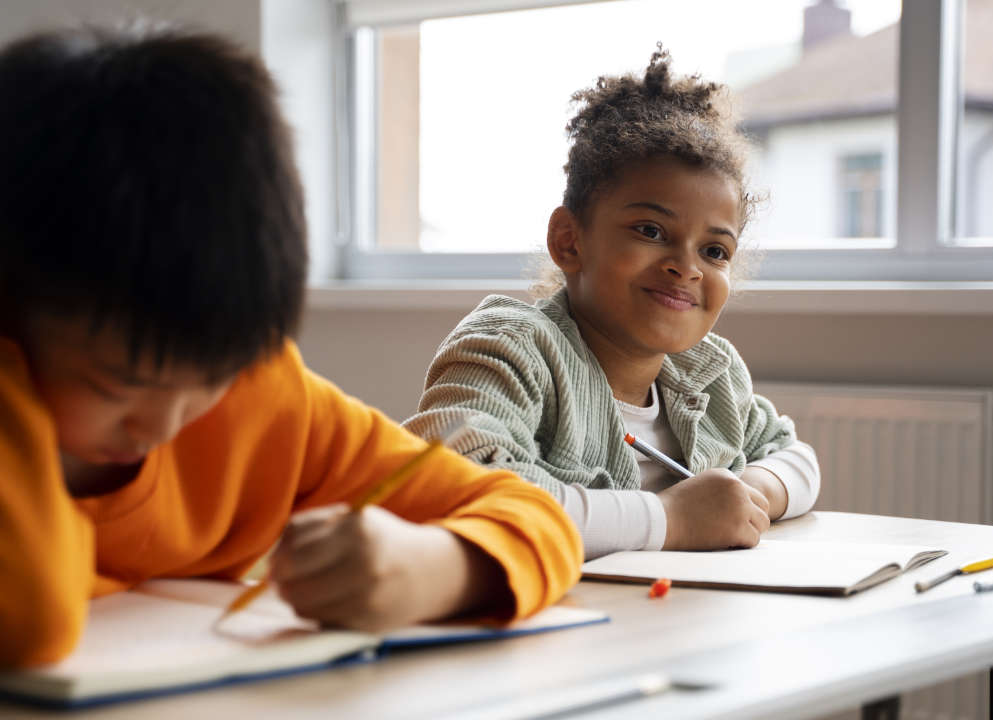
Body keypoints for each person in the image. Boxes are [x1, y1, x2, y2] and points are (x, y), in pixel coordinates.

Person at [0, 26, 581, 668]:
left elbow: (534, 514)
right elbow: (32, 623)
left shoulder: (263, 396)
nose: (164, 424)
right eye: (117, 387)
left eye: (209, 378)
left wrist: (432, 567)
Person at [404, 48, 819, 560]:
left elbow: (796, 457)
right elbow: (456, 486)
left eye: (714, 251)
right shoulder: (512, 348)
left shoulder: (710, 374)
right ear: (569, 241)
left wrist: (751, 493)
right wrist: (672, 520)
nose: (686, 267)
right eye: (651, 230)